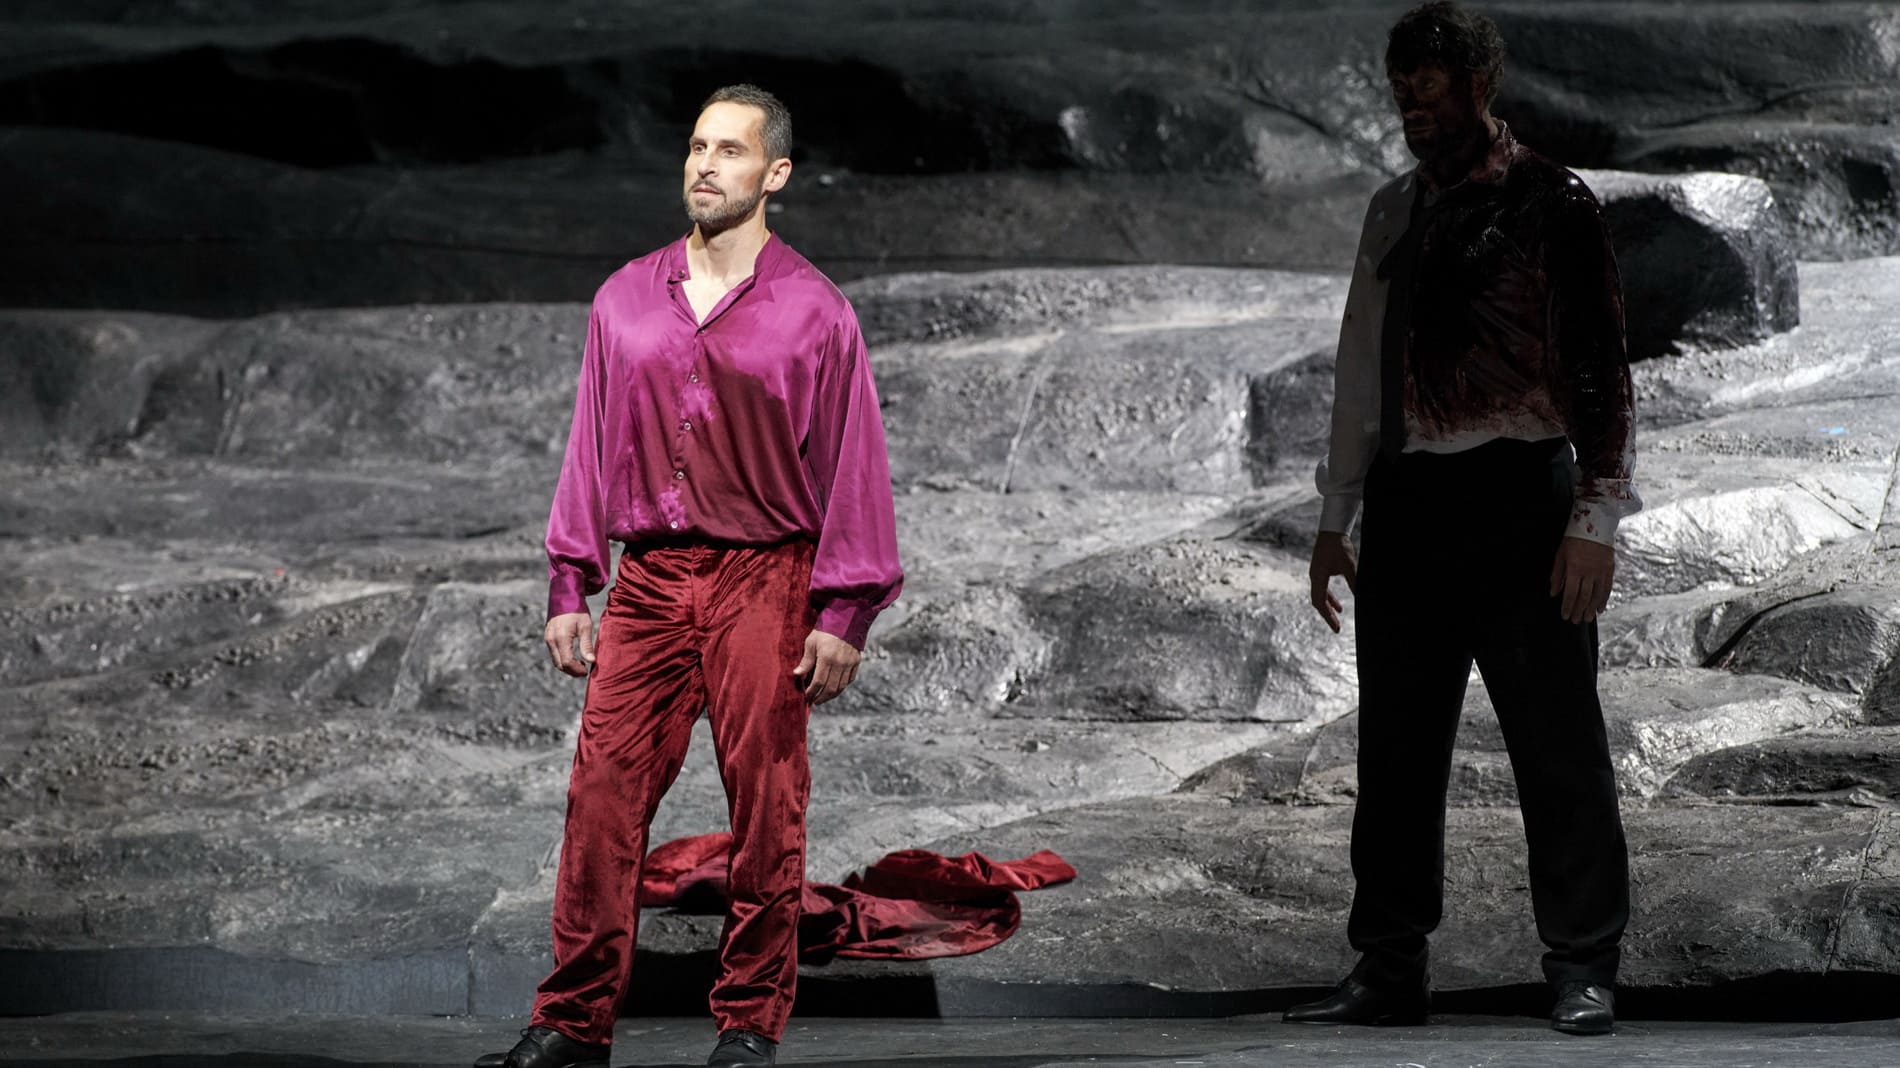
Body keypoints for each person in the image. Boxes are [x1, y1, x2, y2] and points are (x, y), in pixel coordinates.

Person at [476, 84, 903, 1068]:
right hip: (652, 581)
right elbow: (590, 442)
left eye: (732, 150)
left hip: (766, 577)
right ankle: (572, 1022)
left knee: (766, 805)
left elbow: (854, 463)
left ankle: (747, 1024)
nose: (706, 165)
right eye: (698, 146)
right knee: (601, 797)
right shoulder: (625, 298)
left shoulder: (815, 312)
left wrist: (844, 610)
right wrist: (571, 580)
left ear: (776, 173)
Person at [1283, 1, 1638, 1037]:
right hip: (1409, 503)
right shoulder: (1391, 208)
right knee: (1395, 753)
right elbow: (1360, 365)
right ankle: (1389, 965)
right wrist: (1336, 514)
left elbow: (1598, 366)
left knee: (1557, 746)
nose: (1413, 107)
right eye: (1402, 90)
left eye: (1430, 88)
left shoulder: (1549, 201)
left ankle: (1583, 963)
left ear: (1478, 84)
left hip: (1521, 496)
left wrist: (1596, 516)